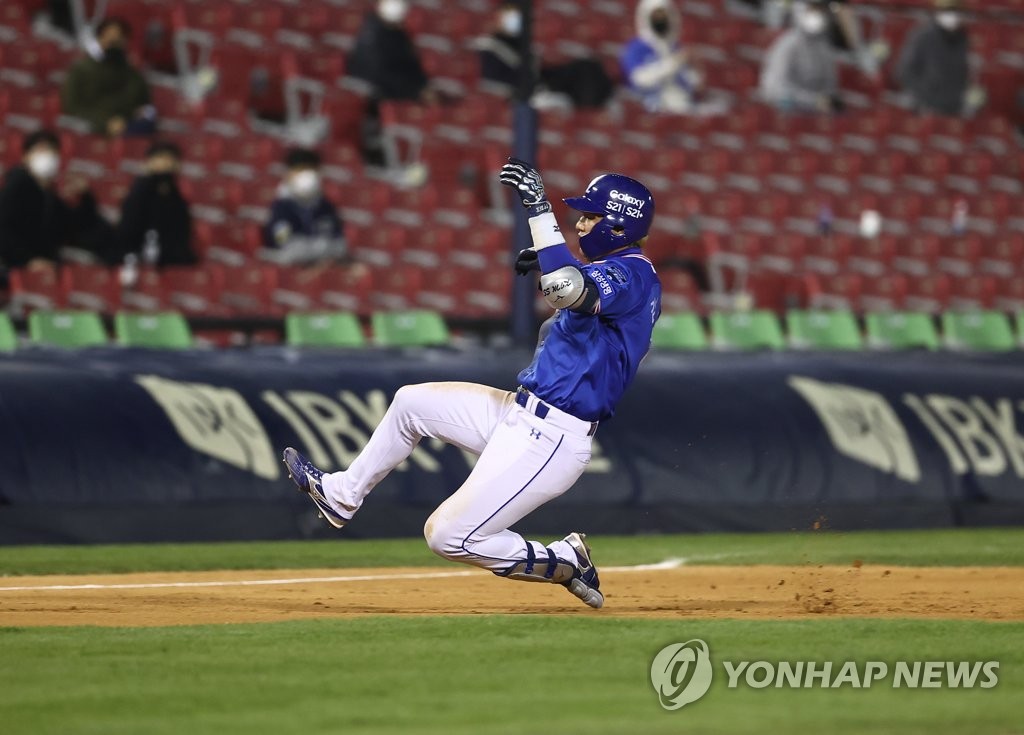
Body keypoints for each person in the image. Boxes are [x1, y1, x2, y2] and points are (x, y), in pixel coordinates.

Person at [283, 159, 662, 610]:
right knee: (411, 403)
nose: (580, 222)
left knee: (446, 535)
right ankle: (343, 497)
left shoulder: (635, 274)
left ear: (619, 226)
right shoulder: (619, 270)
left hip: (554, 437)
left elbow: (563, 287)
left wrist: (539, 212)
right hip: (518, 411)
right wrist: (548, 255)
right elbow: (571, 284)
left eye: (591, 215)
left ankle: (562, 559)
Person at [0, 129, 110, 271]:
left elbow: (75, 226)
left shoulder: (50, 196)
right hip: (18, 269)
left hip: (45, 269)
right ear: (26, 157)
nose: (47, 155)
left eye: (52, 150)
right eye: (40, 150)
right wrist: (28, 260)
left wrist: (85, 196)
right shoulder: (18, 184)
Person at [476, 1, 614, 109]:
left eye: (518, 15)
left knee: (585, 68)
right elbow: (497, 85)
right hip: (522, 98)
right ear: (498, 17)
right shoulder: (489, 48)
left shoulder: (521, 43)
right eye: (509, 14)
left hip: (541, 88)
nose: (514, 20)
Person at [60, 17, 155, 137]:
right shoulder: (81, 70)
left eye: (119, 39)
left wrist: (132, 119)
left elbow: (144, 105)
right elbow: (72, 107)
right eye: (110, 39)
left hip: (129, 128)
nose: (114, 43)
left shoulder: (133, 75)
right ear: (99, 39)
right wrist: (105, 123)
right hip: (92, 129)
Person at [117, 141, 197, 268]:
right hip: (139, 257)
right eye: (160, 158)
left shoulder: (177, 198)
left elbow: (181, 235)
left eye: (169, 158)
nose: (165, 163)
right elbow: (128, 230)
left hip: (172, 261)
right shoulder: (139, 193)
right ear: (149, 162)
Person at [262, 148, 347, 265]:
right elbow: (283, 243)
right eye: (300, 170)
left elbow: (340, 245)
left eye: (311, 170)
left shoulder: (327, 208)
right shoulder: (281, 208)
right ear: (288, 174)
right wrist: (320, 249)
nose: (306, 176)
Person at [620, 0, 704, 113]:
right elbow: (639, 79)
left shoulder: (676, 48)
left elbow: (692, 85)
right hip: (651, 106)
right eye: (657, 16)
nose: (661, 19)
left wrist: (697, 70)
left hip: (683, 109)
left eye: (664, 15)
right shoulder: (636, 48)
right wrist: (674, 63)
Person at [760, 0, 841, 113]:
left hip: (815, 115)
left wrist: (825, 101)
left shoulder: (825, 48)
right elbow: (774, 89)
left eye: (819, 10)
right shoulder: (787, 45)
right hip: (788, 113)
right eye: (811, 9)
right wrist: (812, 101)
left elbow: (830, 87)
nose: (816, 14)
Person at [896, 0, 975, 117]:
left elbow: (966, 73)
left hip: (954, 109)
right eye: (947, 11)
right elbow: (904, 72)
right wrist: (925, 94)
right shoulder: (922, 36)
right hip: (926, 109)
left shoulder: (965, 39)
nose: (952, 16)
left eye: (956, 11)